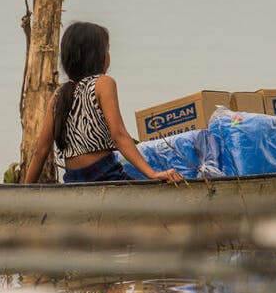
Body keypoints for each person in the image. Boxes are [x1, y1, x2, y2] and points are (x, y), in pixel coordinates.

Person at [21, 22, 184, 184]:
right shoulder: (102, 83)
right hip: (105, 175)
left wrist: (25, 191)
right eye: (107, 49)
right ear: (95, 55)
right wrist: (152, 173)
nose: (109, 55)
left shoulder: (59, 94)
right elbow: (119, 135)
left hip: (72, 180)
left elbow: (40, 151)